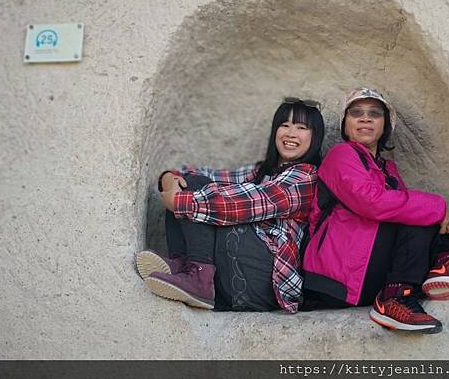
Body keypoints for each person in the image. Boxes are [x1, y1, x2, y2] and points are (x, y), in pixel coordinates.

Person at [301, 87, 449, 333]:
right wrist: (437, 209)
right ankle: (397, 295)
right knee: (417, 209)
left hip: (365, 275)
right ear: (346, 125)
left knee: (416, 211)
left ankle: (444, 263)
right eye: (356, 113)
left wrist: (447, 229)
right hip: (335, 280)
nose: (365, 118)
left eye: (374, 113)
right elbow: (372, 203)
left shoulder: (388, 168)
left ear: (386, 125)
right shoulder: (342, 155)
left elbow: (404, 215)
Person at [136, 98, 324, 313]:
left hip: (262, 285)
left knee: (209, 202)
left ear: (314, 137)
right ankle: (186, 268)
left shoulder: (305, 176)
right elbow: (201, 175)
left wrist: (178, 200)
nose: (291, 133)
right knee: (192, 183)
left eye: (301, 127)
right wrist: (170, 178)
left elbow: (245, 203)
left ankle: (198, 276)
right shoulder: (263, 171)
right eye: (285, 125)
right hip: (234, 274)